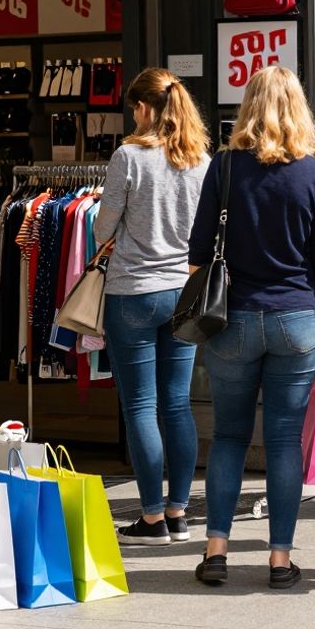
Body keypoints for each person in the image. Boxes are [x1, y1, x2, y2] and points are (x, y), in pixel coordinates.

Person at [189, 66, 315, 590]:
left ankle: (216, 552)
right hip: (297, 318)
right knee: (281, 441)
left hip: (232, 318)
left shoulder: (225, 167)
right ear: (298, 108)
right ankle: (279, 560)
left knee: (228, 436)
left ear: (248, 106)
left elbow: (198, 251)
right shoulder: (314, 174)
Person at [92, 68, 210, 546]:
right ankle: (180, 512)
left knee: (140, 405)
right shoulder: (201, 159)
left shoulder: (128, 156)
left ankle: (151, 517)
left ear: (143, 108)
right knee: (177, 403)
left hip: (135, 291)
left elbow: (103, 229)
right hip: (183, 292)